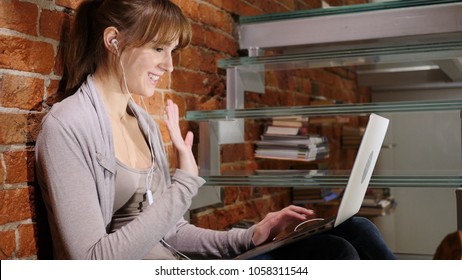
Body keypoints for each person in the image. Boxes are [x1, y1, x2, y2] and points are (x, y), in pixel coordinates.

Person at [35, 0, 396, 260]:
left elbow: (171, 231)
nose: (169, 65)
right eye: (159, 48)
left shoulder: (143, 122)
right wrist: (183, 184)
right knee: (336, 253)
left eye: (172, 50)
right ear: (113, 41)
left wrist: (248, 237)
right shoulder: (68, 126)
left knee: (357, 229)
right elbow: (91, 262)